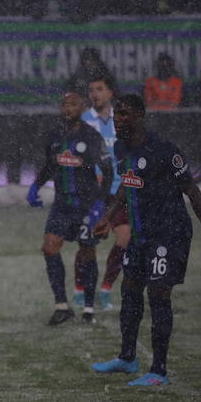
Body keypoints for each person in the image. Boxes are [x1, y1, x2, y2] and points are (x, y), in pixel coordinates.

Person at [91, 94, 201, 386]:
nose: (118, 120)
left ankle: (159, 371)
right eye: (116, 116)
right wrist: (109, 216)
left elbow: (192, 190)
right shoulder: (122, 148)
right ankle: (127, 358)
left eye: (124, 114)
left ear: (140, 115)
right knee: (129, 290)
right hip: (141, 233)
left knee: (158, 295)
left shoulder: (164, 150)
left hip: (169, 233)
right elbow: (127, 186)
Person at [26, 88, 113, 325]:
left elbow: (107, 171)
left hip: (86, 205)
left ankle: (88, 307)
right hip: (62, 204)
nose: (68, 109)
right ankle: (62, 306)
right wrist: (36, 185)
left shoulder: (92, 137)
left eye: (73, 105)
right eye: (64, 105)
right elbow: (49, 165)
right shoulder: (55, 136)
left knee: (86, 253)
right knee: (50, 248)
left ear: (82, 108)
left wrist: (99, 204)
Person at [78, 75, 124, 313]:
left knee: (125, 240)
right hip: (94, 192)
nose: (94, 94)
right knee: (88, 243)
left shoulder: (122, 119)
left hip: (120, 190)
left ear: (110, 93)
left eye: (99, 89)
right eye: (91, 90)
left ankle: (105, 288)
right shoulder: (84, 120)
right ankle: (80, 290)